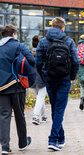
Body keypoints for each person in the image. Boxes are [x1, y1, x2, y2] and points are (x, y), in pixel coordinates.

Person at [36, 17, 79, 151]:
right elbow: (76, 61)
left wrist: (44, 76)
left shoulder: (43, 42)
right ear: (62, 28)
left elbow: (38, 62)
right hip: (64, 80)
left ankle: (61, 138)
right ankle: (53, 140)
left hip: (50, 79)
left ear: (52, 26)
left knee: (56, 108)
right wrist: (71, 77)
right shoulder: (69, 41)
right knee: (59, 109)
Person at [0, 24, 33, 154]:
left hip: (1, 87)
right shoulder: (19, 46)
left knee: (4, 116)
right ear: (14, 34)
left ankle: (5, 146)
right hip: (17, 85)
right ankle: (22, 142)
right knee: (19, 115)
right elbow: (31, 60)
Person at [31, 35, 48, 125]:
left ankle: (44, 116)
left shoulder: (29, 54)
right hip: (42, 79)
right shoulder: (43, 54)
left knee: (39, 98)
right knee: (40, 97)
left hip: (32, 79)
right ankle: (36, 116)